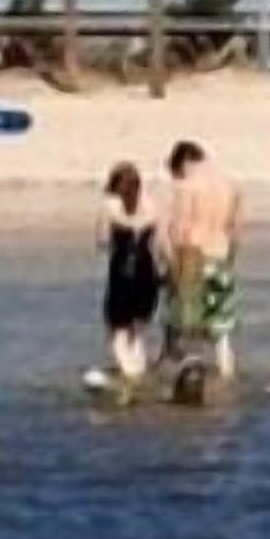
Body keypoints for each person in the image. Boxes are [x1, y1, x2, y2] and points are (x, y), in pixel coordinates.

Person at [164, 139, 245, 380]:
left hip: (193, 254)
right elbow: (236, 229)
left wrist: (171, 265)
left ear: (183, 164)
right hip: (221, 255)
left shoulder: (186, 186)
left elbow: (179, 228)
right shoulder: (231, 185)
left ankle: (184, 382)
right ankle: (227, 379)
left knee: (185, 328)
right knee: (221, 333)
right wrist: (230, 259)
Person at [97, 161, 162, 386]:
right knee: (138, 328)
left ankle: (129, 375)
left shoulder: (109, 206)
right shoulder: (151, 205)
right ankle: (140, 370)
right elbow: (157, 242)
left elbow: (103, 241)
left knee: (117, 329)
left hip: (122, 270)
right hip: (147, 269)